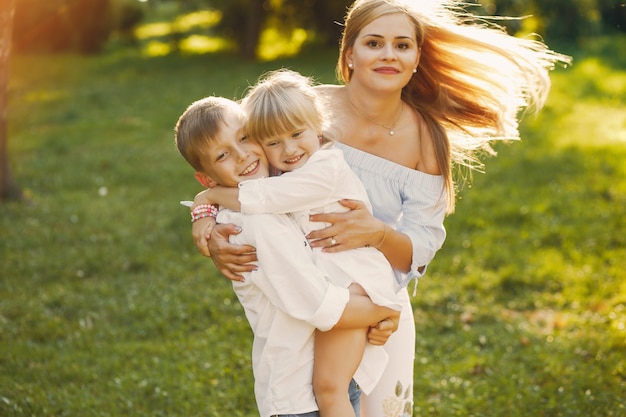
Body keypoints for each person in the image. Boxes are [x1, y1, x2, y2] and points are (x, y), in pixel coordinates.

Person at [191, 1, 571, 415]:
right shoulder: (304, 108)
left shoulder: (426, 140)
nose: (389, 54)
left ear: (416, 58)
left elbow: (423, 246)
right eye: (374, 43)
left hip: (375, 300)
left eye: (402, 45)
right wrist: (206, 217)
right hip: (305, 294)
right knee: (309, 398)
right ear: (349, 54)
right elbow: (232, 161)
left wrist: (377, 237)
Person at [193, 69, 408, 417]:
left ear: (318, 126)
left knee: (330, 389)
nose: (289, 149)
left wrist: (212, 195)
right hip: (340, 294)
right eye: (273, 142)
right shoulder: (283, 172)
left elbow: (270, 196)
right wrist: (204, 207)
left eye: (296, 134)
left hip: (357, 287)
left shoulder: (324, 167)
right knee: (330, 390)